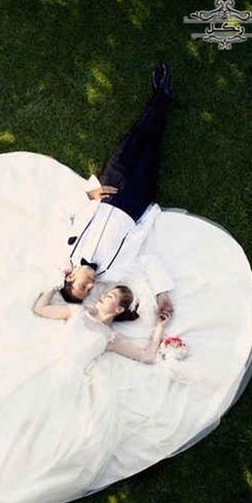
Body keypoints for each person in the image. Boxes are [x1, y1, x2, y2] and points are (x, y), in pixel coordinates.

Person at [55, 61, 177, 318]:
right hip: (133, 204)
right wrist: (162, 293)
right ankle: (163, 98)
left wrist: (90, 196)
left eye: (82, 287)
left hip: (106, 192)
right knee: (151, 150)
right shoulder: (113, 272)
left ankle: (161, 94)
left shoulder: (66, 252)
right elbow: (145, 261)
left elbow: (62, 213)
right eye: (88, 292)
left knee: (134, 141)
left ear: (70, 277)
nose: (90, 287)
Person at [33, 283, 171, 364]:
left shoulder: (111, 337)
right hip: (47, 360)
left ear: (119, 309)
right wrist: (56, 284)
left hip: (71, 375)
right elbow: (40, 309)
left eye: (109, 296)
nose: (102, 296)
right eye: (104, 294)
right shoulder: (78, 311)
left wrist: (159, 327)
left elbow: (147, 356)